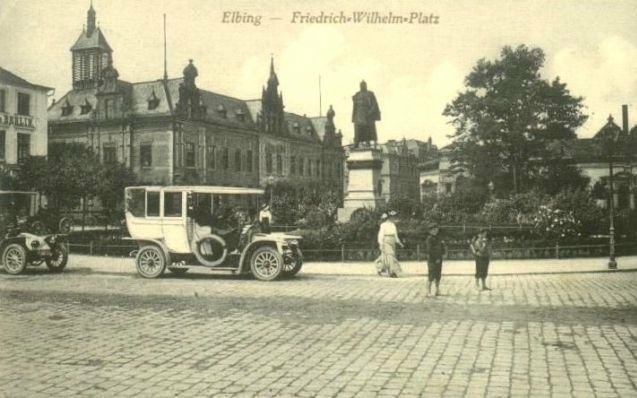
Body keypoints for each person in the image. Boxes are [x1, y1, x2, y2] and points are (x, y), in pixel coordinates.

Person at [377, 210, 404, 278]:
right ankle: (392, 272)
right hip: (386, 240)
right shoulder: (383, 225)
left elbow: (395, 235)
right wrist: (381, 243)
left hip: (392, 241)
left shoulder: (393, 225)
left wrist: (399, 242)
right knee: (390, 255)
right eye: (392, 217)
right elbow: (381, 235)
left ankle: (380, 268)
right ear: (389, 218)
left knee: (386, 256)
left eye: (394, 217)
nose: (394, 218)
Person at [425, 223, 446, 296]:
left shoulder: (438, 238)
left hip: (439, 258)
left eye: (436, 229)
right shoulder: (429, 239)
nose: (435, 231)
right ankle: (428, 291)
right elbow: (429, 250)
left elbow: (442, 247)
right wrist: (436, 258)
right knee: (431, 275)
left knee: (438, 275)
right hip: (432, 259)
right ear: (430, 231)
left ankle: (437, 290)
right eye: (433, 229)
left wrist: (443, 254)